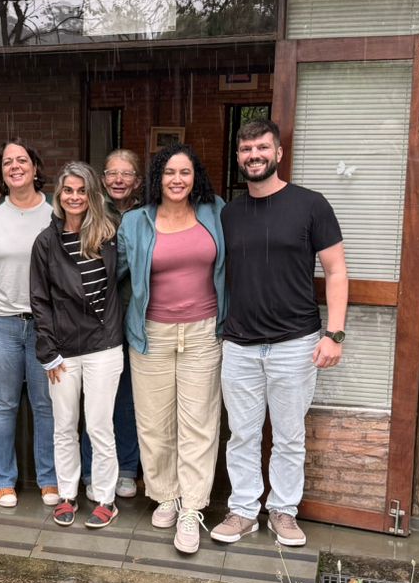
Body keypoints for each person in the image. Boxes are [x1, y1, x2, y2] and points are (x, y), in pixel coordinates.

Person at [212, 118, 347, 550]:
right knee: (243, 434)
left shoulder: (311, 205)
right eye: (246, 149)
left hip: (295, 343)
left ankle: (284, 511)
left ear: (278, 153)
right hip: (240, 345)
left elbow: (337, 271)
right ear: (238, 157)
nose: (254, 155)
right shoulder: (229, 213)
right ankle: (244, 511)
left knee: (289, 436)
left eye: (262, 148)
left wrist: (335, 334)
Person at [118, 143, 228, 554]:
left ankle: (192, 508)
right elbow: (114, 272)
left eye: (184, 172)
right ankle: (166, 495)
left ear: (195, 176)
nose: (177, 180)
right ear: (157, 179)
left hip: (203, 332)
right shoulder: (135, 222)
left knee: (198, 423)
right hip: (151, 334)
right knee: (154, 423)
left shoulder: (215, 212)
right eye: (169, 172)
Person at [30, 162, 123, 529]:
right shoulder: (46, 241)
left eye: (81, 190)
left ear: (92, 195)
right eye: (68, 190)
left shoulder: (109, 234)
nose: (74, 197)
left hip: (104, 346)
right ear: (59, 195)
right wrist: (48, 351)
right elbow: (39, 300)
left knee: (99, 426)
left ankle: (105, 499)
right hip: (63, 351)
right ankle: (67, 494)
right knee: (65, 425)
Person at [0, 141, 59, 509]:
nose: (15, 166)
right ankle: (2, 480)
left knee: (46, 404)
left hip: (46, 324)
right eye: (8, 161)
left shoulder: (56, 210)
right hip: (0, 321)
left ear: (35, 167)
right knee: (4, 404)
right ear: (2, 172)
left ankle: (49, 479)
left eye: (22, 160)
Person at [86, 147, 146, 501]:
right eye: (111, 173)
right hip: (95, 320)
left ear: (137, 180)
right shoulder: (90, 212)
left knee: (127, 398)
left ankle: (126, 468)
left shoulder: (150, 215)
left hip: (137, 317)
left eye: (126, 173)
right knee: (96, 400)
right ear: (102, 178)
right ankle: (93, 469)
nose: (118, 179)